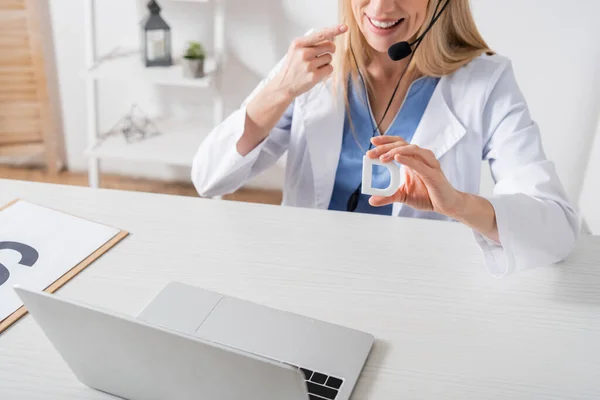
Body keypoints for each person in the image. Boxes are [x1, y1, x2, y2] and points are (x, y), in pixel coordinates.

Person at [191, 0, 579, 277]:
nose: (380, 8)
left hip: (418, 286)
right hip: (304, 274)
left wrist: (458, 204)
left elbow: (558, 229)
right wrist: (277, 91)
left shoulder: (486, 80)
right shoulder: (313, 57)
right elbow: (209, 179)